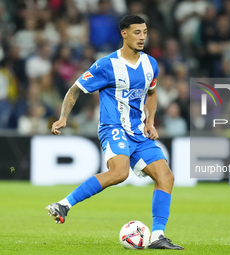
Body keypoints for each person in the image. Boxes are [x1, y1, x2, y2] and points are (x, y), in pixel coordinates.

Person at [45, 15, 184, 250]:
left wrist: (150, 121)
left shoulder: (151, 64)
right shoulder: (106, 65)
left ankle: (157, 236)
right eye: (137, 32)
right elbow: (75, 90)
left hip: (138, 132)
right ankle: (63, 204)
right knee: (119, 172)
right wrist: (63, 117)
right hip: (113, 128)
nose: (142, 37)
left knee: (166, 177)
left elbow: (151, 93)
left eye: (145, 32)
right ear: (124, 33)